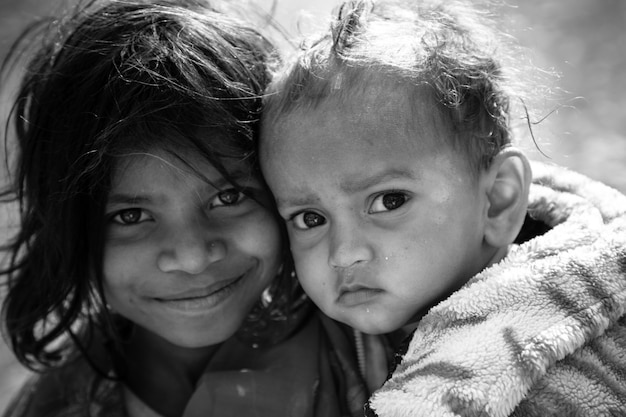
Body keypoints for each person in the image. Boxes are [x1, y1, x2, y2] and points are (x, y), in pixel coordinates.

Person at [0, 1, 393, 416]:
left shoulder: (380, 345)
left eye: (227, 197)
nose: (190, 257)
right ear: (68, 231)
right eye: (130, 216)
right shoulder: (55, 406)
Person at [259, 0, 626, 415]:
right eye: (311, 219)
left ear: (498, 201)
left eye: (387, 201)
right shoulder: (307, 337)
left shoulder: (562, 368)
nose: (343, 254)